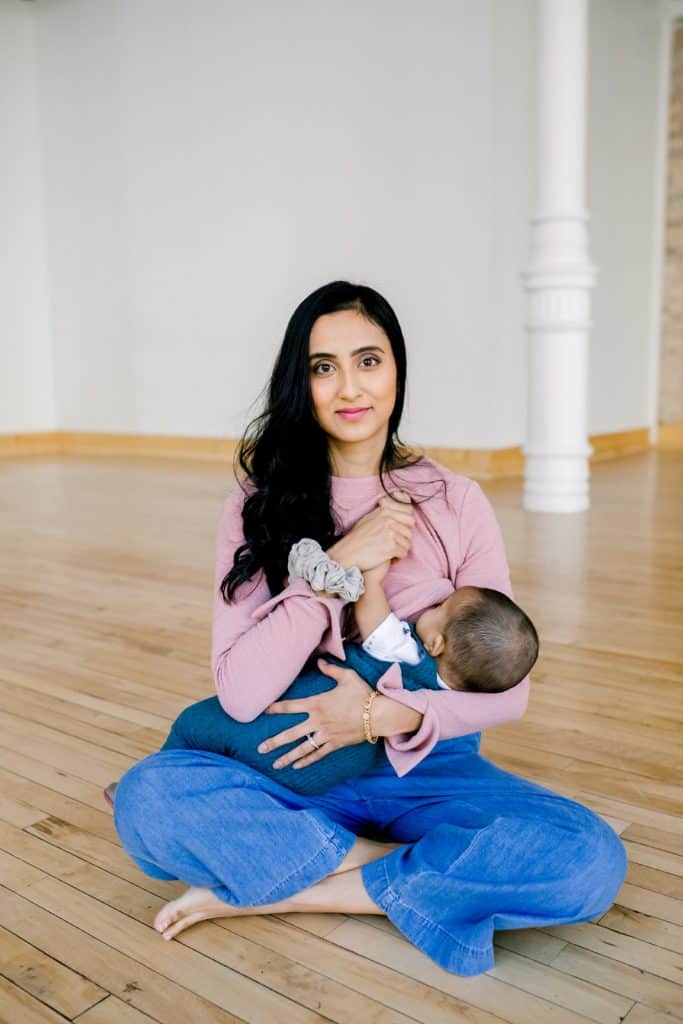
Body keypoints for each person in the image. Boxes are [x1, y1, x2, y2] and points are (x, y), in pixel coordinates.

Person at [112, 280, 627, 975]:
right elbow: (238, 694)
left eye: (368, 360)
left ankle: (286, 890)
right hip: (288, 768)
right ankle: (405, 876)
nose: (348, 387)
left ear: (396, 370)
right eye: (322, 367)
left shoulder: (453, 500)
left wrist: (378, 715)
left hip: (429, 770)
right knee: (149, 803)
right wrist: (335, 568)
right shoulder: (256, 506)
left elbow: (508, 692)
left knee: (587, 860)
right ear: (302, 383)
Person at [104, 561, 539, 800]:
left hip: (285, 728)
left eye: (440, 607)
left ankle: (154, 776)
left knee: (195, 723)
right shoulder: (456, 690)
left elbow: (371, 613)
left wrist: (371, 567)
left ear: (438, 642)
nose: (434, 602)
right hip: (322, 775)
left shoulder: (406, 650)